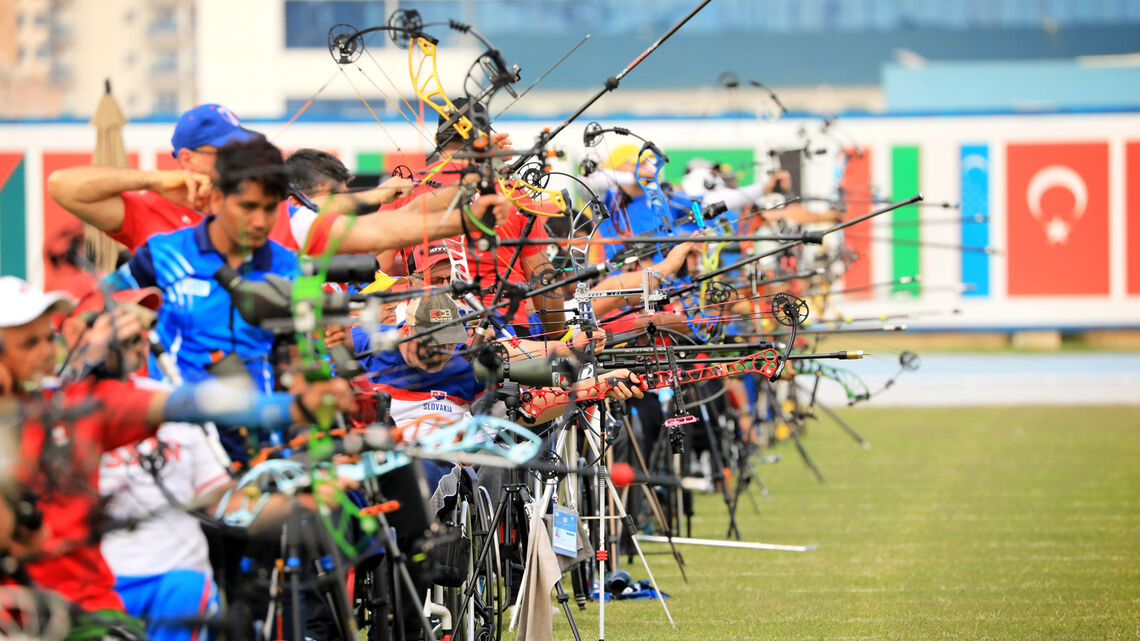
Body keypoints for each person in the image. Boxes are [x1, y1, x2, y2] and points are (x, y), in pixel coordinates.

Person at [0, 275, 355, 637]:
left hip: (111, 604)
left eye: (47, 339)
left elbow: (195, 406)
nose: (45, 352)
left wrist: (293, 409)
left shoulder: (85, 405)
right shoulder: (61, 402)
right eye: (29, 343)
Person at [48, 104, 257, 251]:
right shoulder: (153, 208)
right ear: (187, 159)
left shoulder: (263, 207)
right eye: (228, 151)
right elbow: (60, 185)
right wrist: (154, 180)